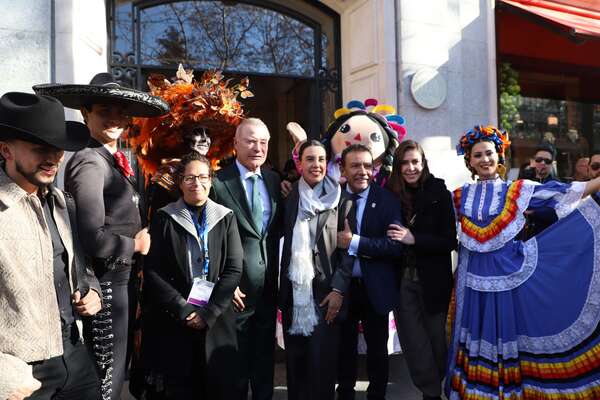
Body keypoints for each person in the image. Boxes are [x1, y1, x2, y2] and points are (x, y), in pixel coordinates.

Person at [436, 125, 600, 399]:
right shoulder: (458, 196)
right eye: (478, 155)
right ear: (470, 162)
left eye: (489, 153)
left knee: (507, 337)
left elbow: (568, 192)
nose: (485, 159)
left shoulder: (517, 190)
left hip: (507, 280)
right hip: (473, 284)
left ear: (499, 156)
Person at [34, 72, 169, 400]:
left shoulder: (113, 159)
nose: (113, 119)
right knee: (105, 381)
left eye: (120, 112)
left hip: (122, 282)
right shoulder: (90, 161)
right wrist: (135, 244)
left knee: (115, 375)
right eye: (104, 111)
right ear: (85, 114)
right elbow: (90, 235)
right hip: (106, 285)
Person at [0, 92, 102, 399]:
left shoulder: (62, 203)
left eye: (58, 149)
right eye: (40, 148)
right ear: (6, 150)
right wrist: (4, 373)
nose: (54, 158)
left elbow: (78, 264)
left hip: (75, 353)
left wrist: (92, 291)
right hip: (20, 369)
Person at [141, 152, 243, 399]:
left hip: (217, 318)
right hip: (177, 320)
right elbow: (153, 270)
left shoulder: (225, 217)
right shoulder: (165, 217)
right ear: (180, 182)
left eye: (203, 177)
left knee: (220, 387)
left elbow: (233, 269)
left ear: (211, 180)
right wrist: (183, 309)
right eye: (189, 178)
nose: (197, 183)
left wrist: (209, 312)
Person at [211, 117, 282, 400]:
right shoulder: (218, 183)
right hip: (236, 291)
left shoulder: (275, 181)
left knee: (265, 361)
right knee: (235, 365)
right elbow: (210, 239)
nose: (258, 148)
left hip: (269, 288)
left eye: (263, 142)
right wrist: (224, 282)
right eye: (251, 141)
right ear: (236, 143)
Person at [385, 140, 456, 400]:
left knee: (437, 340)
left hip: (433, 280)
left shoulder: (439, 192)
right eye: (405, 163)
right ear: (397, 166)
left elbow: (449, 241)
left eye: (415, 161)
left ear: (423, 163)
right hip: (402, 281)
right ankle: (430, 393)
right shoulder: (390, 193)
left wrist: (415, 239)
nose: (411, 167)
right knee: (414, 343)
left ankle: (437, 386)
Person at [279, 140, 350, 400]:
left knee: (322, 367)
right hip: (294, 293)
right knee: (296, 367)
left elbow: (349, 251)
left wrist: (339, 290)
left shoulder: (341, 198)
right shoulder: (288, 197)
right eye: (310, 159)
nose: (316, 165)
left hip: (326, 295)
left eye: (321, 159)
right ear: (300, 164)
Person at [335, 144, 403, 400]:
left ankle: (377, 395)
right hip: (341, 290)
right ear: (343, 169)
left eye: (367, 165)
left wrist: (354, 242)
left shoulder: (387, 200)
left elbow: (394, 246)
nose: (362, 171)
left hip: (375, 287)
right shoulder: (332, 199)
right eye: (355, 166)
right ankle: (345, 394)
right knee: (344, 349)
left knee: (377, 351)